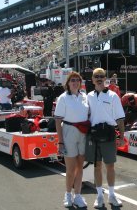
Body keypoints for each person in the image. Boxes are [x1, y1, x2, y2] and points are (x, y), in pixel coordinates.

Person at [87, 68, 125, 208]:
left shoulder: (113, 96)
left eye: (101, 76)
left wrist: (122, 136)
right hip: (94, 135)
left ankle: (112, 195)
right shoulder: (88, 96)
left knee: (110, 166)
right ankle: (99, 196)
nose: (99, 78)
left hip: (109, 133)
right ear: (92, 79)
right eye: (96, 76)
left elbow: (120, 118)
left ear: (105, 79)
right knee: (97, 166)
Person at [54, 72, 89, 208]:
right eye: (72, 80)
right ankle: (68, 194)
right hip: (69, 132)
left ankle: (78, 195)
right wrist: (60, 141)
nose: (75, 82)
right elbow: (58, 120)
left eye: (77, 80)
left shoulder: (84, 97)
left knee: (80, 168)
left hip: (83, 133)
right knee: (70, 168)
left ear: (80, 83)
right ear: (68, 83)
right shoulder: (63, 98)